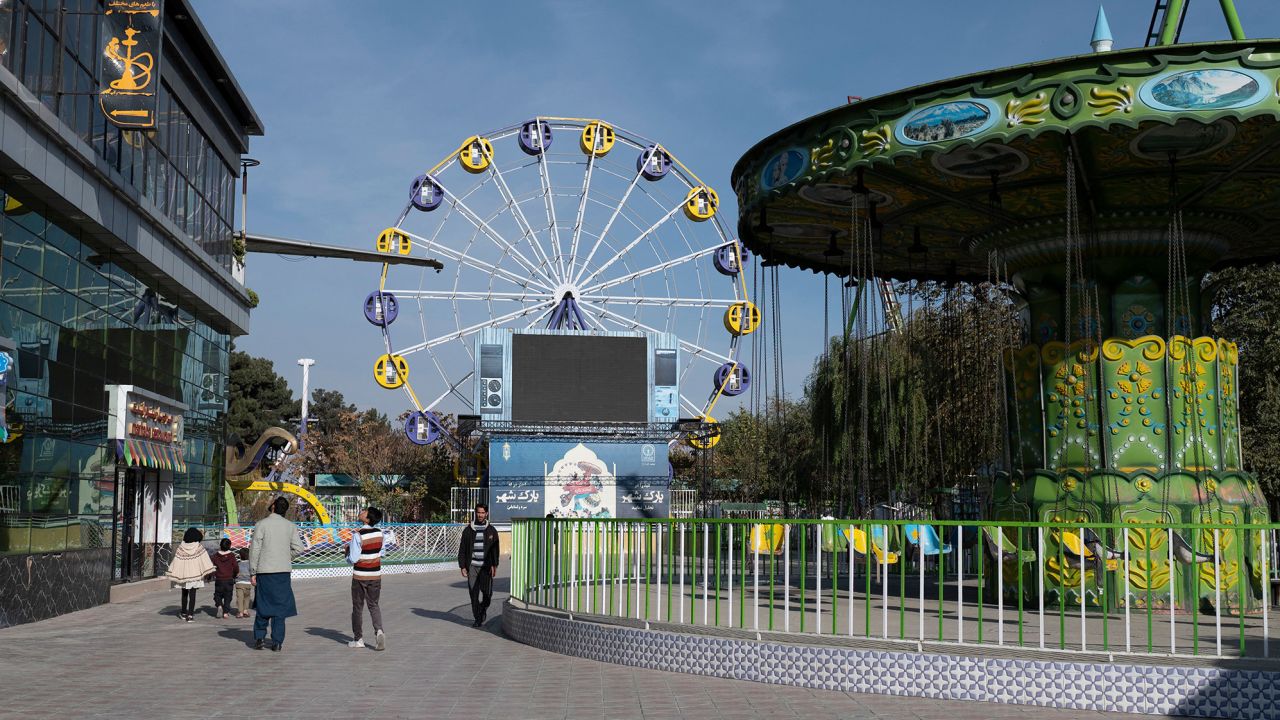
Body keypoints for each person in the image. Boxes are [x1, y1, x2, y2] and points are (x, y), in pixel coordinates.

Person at [249, 496, 304, 651]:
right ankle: (277, 642)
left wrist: (253, 571)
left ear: (273, 506)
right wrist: (286, 555)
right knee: (280, 608)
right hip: (283, 572)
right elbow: (299, 548)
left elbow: (255, 550)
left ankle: (259, 638)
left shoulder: (261, 525)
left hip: (265, 571)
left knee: (263, 605)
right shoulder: (290, 526)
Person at [346, 507, 386, 650]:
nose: (361, 512)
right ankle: (379, 631)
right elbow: (382, 552)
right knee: (373, 605)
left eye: (364, 511)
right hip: (375, 575)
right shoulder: (380, 534)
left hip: (360, 576)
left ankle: (358, 639)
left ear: (367, 518)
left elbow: (354, 558)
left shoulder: (358, 535)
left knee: (358, 607)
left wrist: (347, 553)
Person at [457, 503, 500, 628]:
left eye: (482, 512)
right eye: (478, 512)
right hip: (473, 567)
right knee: (473, 594)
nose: (480, 515)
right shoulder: (468, 530)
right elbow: (462, 550)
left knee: (487, 594)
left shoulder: (491, 530)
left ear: (486, 513)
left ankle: (482, 609)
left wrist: (494, 565)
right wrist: (463, 566)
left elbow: (495, 550)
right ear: (475, 513)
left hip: (486, 568)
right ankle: (477, 618)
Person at [165, 527, 215, 622]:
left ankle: (183, 612)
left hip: (184, 575)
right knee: (193, 595)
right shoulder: (198, 546)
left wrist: (173, 572)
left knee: (184, 594)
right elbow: (205, 559)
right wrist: (208, 572)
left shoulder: (181, 547)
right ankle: (190, 615)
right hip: (195, 575)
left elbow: (177, 561)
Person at [210, 537, 239, 619]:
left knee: (217, 594)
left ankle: (219, 605)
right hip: (229, 579)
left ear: (220, 546)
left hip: (219, 579)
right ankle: (225, 612)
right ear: (229, 546)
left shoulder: (215, 556)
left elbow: (212, 566)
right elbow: (236, 567)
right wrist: (235, 574)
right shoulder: (232, 555)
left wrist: (212, 574)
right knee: (228, 596)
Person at [234, 548, 253, 618]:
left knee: (240, 598)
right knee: (247, 598)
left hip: (239, 583)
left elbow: (235, 573)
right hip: (248, 583)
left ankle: (240, 612)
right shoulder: (250, 564)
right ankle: (245, 610)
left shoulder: (238, 564)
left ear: (240, 556)